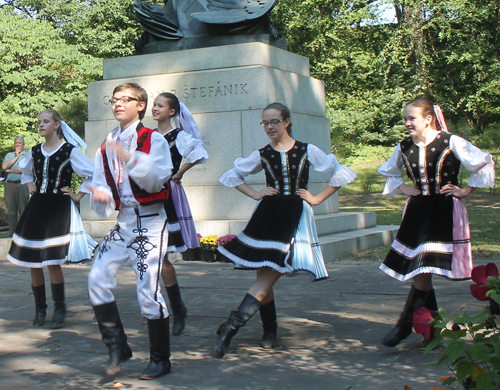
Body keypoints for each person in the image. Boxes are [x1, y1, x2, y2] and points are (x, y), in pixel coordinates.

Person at [214, 102, 356, 358]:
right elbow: (232, 176)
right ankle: (269, 331)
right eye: (265, 123)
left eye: (274, 122)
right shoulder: (262, 154)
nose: (269, 127)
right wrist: (257, 194)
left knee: (268, 275)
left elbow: (340, 172)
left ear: (287, 121)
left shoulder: (306, 150)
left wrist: (317, 198)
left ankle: (231, 327)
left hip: (295, 215)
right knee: (263, 275)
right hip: (267, 215)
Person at [378, 97, 495, 347]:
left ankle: (404, 325)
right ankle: (433, 329)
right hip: (417, 210)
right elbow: (389, 170)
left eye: (412, 118)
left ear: (428, 118)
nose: (407, 123)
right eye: (405, 119)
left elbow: (483, 161)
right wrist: (402, 187)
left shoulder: (450, 141)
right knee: (422, 269)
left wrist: (466, 191)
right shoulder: (404, 146)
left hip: (444, 209)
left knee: (423, 268)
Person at [86, 82, 173, 379]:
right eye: (114, 99)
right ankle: (117, 346)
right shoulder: (106, 143)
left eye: (126, 99)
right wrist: (101, 197)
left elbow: (155, 180)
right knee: (96, 277)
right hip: (123, 222)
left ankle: (161, 358)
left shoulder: (153, 139)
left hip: (150, 222)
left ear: (140, 105)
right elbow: (101, 185)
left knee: (147, 290)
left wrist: (127, 157)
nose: (118, 104)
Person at [6, 110, 94, 328]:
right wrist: (29, 185)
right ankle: (40, 309)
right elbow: (26, 174)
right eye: (39, 122)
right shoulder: (34, 152)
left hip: (58, 207)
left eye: (46, 121)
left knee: (53, 261)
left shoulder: (69, 151)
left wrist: (77, 195)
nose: (41, 125)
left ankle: (60, 308)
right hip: (37, 206)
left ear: (56, 125)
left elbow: (93, 174)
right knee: (33, 261)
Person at [147, 92, 208, 334]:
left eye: (160, 105)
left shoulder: (178, 136)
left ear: (172, 111)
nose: (155, 108)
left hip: (166, 196)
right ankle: (155, 306)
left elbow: (198, 153)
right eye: (154, 104)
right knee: (148, 256)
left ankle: (177, 308)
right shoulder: (148, 135)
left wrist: (179, 172)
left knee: (161, 257)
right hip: (146, 196)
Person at [2, 136, 29, 236]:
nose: (17, 145)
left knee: (23, 209)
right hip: (10, 185)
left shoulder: (27, 155)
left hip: (22, 185)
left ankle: (23, 233)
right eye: (16, 143)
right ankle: (12, 234)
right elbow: (4, 166)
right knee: (11, 211)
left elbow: (23, 169)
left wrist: (10, 170)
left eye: (19, 143)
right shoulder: (9, 155)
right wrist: (16, 157)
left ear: (23, 145)